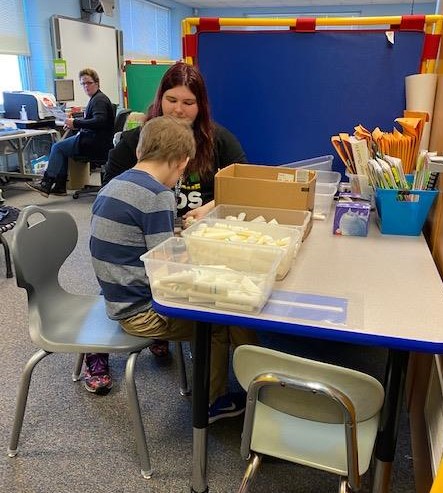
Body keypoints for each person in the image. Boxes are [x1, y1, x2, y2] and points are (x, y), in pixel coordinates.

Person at [90, 115, 254, 422]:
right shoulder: (157, 195)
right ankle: (212, 402)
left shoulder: (116, 183)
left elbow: (149, 245)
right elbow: (166, 269)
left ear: (139, 152)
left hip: (115, 295)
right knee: (217, 324)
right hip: (140, 312)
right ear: (181, 162)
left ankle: (222, 384)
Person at [101, 61, 247, 358]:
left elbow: (242, 181)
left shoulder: (217, 139)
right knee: (219, 316)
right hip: (148, 272)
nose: (179, 110)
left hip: (167, 254)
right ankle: (217, 395)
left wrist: (209, 209)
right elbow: (164, 267)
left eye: (188, 102)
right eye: (171, 100)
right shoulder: (141, 156)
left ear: (200, 105)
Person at [27, 68, 115, 197]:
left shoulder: (99, 100)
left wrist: (76, 123)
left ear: (96, 83)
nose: (86, 86)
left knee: (57, 147)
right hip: (99, 141)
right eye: (83, 84)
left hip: (94, 143)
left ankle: (46, 184)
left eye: (89, 83)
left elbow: (99, 121)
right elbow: (94, 121)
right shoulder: (97, 98)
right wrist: (75, 123)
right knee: (62, 147)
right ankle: (59, 186)